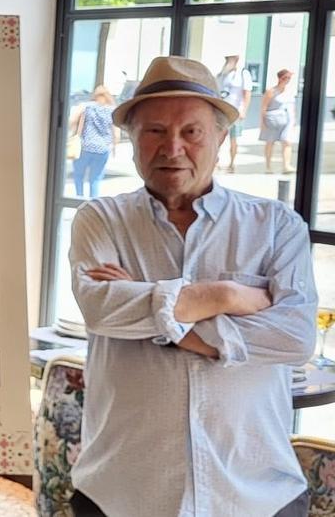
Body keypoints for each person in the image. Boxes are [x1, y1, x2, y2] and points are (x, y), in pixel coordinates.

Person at [69, 55, 316, 517]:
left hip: (254, 494)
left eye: (192, 132)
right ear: (132, 139)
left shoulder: (276, 226)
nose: (172, 148)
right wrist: (225, 297)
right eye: (155, 131)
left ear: (221, 138)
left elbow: (295, 336)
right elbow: (101, 308)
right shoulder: (100, 220)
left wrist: (157, 312)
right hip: (124, 491)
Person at [71, 85, 118, 198]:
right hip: (102, 149)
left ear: (95, 95)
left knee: (78, 176)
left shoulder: (86, 107)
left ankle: (79, 199)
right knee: (95, 179)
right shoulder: (111, 110)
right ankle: (93, 204)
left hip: (85, 147)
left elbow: (72, 120)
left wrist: (74, 132)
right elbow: (116, 133)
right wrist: (114, 147)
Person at [216, 54, 252, 172]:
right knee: (218, 138)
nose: (227, 61)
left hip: (236, 111)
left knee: (234, 139)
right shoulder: (222, 74)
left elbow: (247, 93)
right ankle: (216, 162)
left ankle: (232, 164)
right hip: (221, 112)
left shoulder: (243, 74)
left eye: (230, 59)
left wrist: (243, 110)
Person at [260, 68, 297, 174]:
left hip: (287, 120)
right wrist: (262, 123)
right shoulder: (271, 91)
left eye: (290, 78)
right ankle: (268, 166)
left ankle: (286, 165)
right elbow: (264, 107)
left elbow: (292, 107)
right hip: (273, 120)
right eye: (287, 78)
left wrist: (293, 121)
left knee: (287, 142)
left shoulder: (289, 92)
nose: (289, 80)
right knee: (270, 143)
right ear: (281, 78)